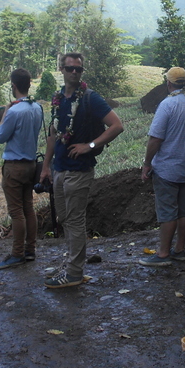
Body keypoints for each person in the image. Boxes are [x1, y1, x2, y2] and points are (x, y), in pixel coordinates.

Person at [39, 53, 124, 288]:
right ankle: (71, 264)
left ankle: (74, 272)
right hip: (59, 169)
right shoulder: (57, 99)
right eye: (70, 69)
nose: (74, 72)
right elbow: (52, 135)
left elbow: (117, 125)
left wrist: (91, 145)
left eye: (78, 69)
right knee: (65, 218)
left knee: (75, 221)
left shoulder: (90, 98)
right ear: (62, 70)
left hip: (79, 170)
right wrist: (46, 166)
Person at [139, 67, 185, 267]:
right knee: (184, 209)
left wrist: (146, 163)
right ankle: (180, 250)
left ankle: (162, 254)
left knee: (168, 211)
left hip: (167, 167)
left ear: (168, 83)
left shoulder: (167, 105)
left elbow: (155, 139)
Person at [0, 68, 43, 270]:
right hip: (31, 164)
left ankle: (17, 254)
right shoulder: (37, 108)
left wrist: (5, 113)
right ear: (29, 84)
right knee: (28, 208)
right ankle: (30, 250)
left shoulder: (13, 111)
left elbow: (0, 137)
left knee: (16, 212)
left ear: (13, 86)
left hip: (14, 166)